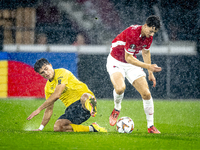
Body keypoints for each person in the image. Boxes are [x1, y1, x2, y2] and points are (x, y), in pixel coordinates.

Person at [106, 15, 162, 134]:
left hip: (131, 63)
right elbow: (129, 58)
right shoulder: (133, 33)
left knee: (146, 93)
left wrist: (150, 73)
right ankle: (117, 108)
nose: (152, 34)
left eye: (154, 32)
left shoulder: (148, 36)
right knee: (120, 88)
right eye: (151, 31)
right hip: (116, 61)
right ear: (145, 26)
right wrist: (148, 66)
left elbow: (146, 52)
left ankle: (150, 126)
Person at [27, 58, 107, 133]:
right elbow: (49, 109)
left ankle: (92, 105)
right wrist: (40, 128)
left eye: (46, 69)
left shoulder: (62, 73)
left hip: (83, 100)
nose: (46, 73)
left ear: (50, 65)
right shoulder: (48, 88)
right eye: (42, 72)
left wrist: (39, 109)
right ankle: (92, 128)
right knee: (58, 127)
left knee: (85, 96)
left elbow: (57, 94)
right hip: (74, 110)